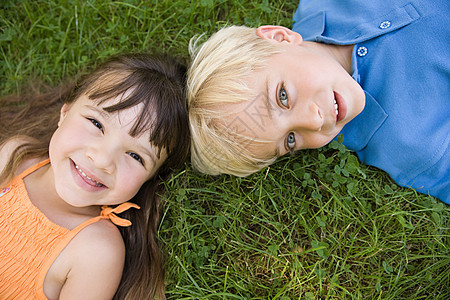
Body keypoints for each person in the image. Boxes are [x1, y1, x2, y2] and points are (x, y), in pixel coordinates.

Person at [187, 0, 449, 203]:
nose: (313, 121)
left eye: (283, 97)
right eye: (290, 139)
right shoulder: (411, 148)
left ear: (280, 38)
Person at [0, 53, 190, 299]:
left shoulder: (96, 250)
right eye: (96, 123)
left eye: (135, 156)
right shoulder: (15, 156)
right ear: (64, 113)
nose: (101, 160)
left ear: (149, 179)